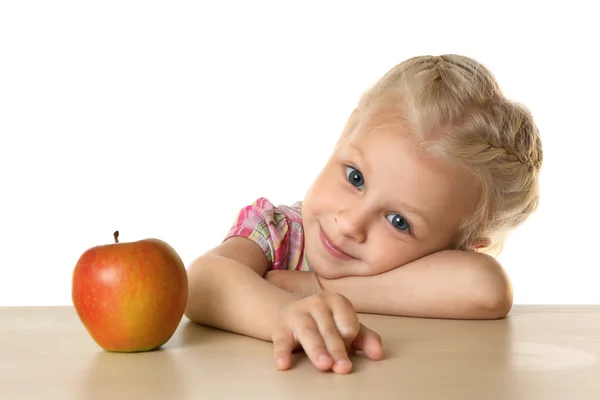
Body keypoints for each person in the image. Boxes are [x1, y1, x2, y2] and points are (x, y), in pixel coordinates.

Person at [184, 54, 543, 375]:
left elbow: (486, 288)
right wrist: (283, 314)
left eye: (399, 222)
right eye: (355, 177)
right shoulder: (279, 234)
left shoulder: (428, 270)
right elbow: (201, 283)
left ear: (463, 246)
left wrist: (317, 287)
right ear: (345, 131)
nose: (352, 224)